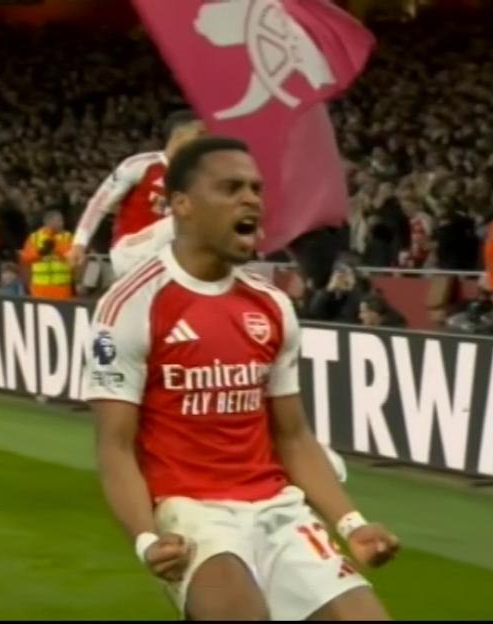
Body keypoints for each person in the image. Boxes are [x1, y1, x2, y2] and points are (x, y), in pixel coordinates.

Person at [83, 137, 398, 621]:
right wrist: (146, 539)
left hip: (278, 509)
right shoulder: (131, 305)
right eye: (231, 188)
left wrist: (350, 523)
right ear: (182, 205)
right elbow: (115, 447)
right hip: (191, 510)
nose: (251, 198)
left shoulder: (271, 305)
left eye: (255, 187)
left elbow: (292, 436)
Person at [69, 110, 206, 274]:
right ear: (179, 137)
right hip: (130, 250)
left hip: (166, 255)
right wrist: (79, 243)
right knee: (186, 221)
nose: (205, 141)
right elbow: (99, 205)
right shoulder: (141, 165)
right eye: (200, 134)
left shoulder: (198, 177)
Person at [20, 210, 74, 300]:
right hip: (40, 287)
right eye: (59, 221)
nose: (62, 223)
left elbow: (72, 256)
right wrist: (41, 252)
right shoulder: (35, 237)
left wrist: (56, 247)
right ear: (49, 222)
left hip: (62, 287)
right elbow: (26, 258)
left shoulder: (68, 237)